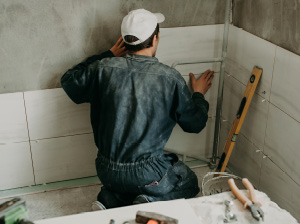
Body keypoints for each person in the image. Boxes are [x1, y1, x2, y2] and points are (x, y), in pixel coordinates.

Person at [61, 9, 214, 210]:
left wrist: (108, 54)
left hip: (106, 170)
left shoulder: (103, 68)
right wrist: (198, 95)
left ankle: (110, 199)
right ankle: (150, 201)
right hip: (147, 174)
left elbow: (69, 82)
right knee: (188, 181)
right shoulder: (169, 78)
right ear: (156, 38)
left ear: (125, 41)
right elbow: (195, 124)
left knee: (131, 181)